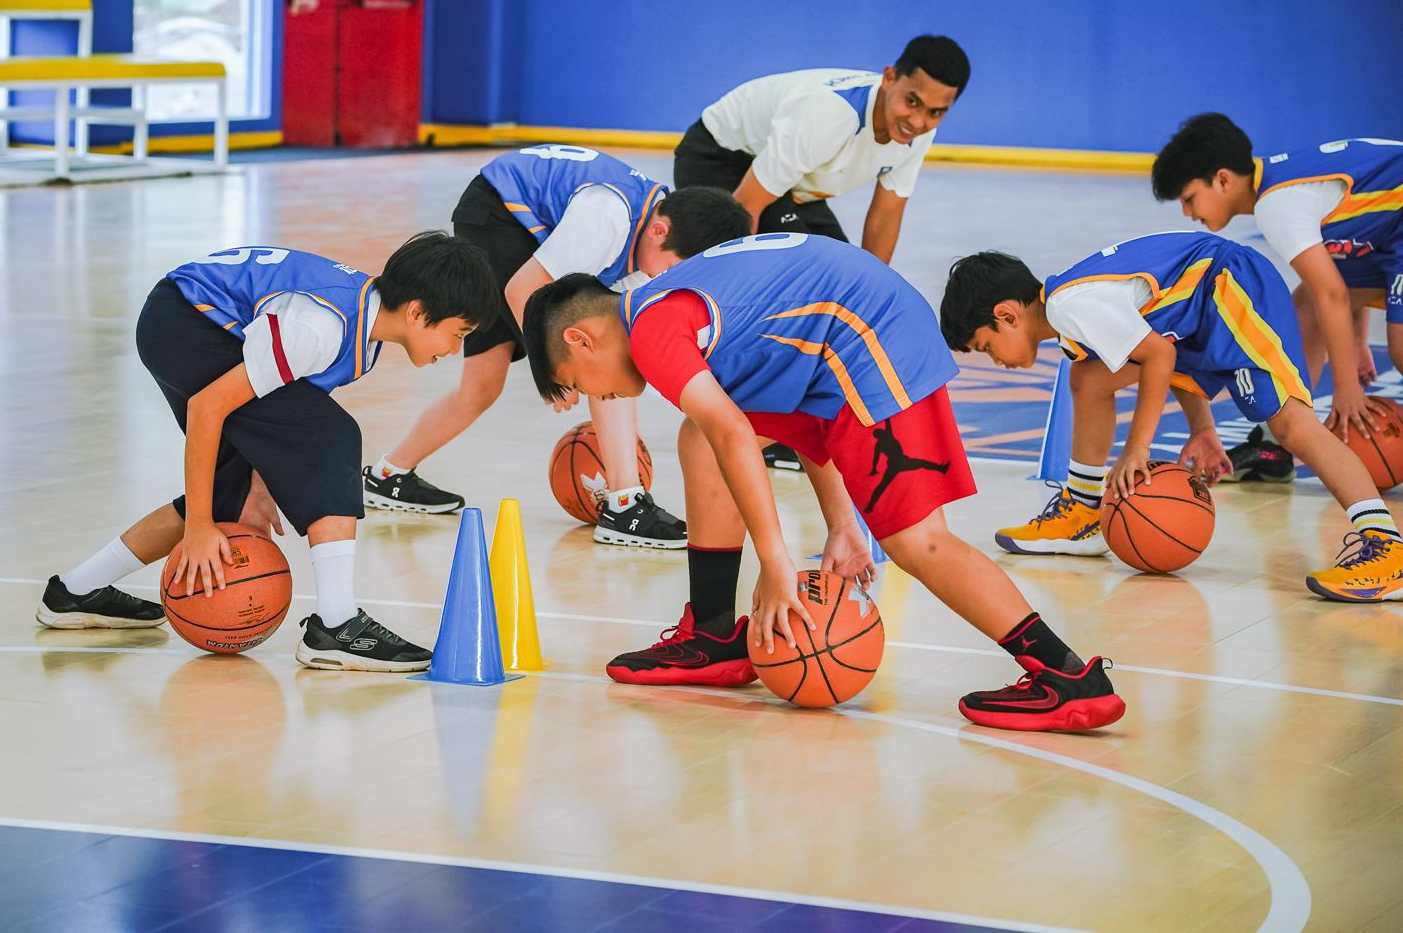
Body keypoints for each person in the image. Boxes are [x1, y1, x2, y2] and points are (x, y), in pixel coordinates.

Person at [523, 233, 1126, 732]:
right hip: (848, 340)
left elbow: (738, 432)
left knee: (918, 542)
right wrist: (841, 523)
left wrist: (776, 563)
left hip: (874, 336)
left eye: (575, 379)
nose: (588, 397)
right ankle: (710, 633)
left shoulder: (653, 333)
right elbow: (800, 403)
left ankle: (1065, 675)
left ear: (581, 338)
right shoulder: (662, 305)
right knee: (697, 436)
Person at [37, 233, 504, 669]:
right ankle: (338, 625)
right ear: (419, 313)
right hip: (183, 319)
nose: (453, 349)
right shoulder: (320, 327)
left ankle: (76, 591)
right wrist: (199, 528)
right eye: (458, 334)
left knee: (233, 497)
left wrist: (257, 487)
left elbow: (277, 420)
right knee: (334, 436)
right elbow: (207, 409)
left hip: (187, 319)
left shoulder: (361, 332)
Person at [942, 233, 1403, 603]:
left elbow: (1160, 355)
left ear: (1007, 315)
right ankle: (1083, 512)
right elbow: (1164, 346)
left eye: (985, 347)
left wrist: (1136, 449)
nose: (995, 361)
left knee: (1289, 425)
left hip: (1231, 286)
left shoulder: (1069, 305)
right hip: (1200, 309)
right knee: (1089, 377)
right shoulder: (1070, 317)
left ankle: (1388, 548)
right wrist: (1203, 430)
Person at [363, 144, 750, 548]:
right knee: (593, 354)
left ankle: (388, 476)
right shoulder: (607, 219)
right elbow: (523, 288)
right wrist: (550, 369)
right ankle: (625, 504)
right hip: (498, 212)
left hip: (535, 224)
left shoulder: (656, 237)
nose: (670, 279)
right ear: (659, 231)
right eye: (673, 268)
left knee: (496, 382)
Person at [672, 34, 969, 471]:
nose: (920, 120)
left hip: (786, 185)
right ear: (889, 78)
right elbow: (746, 210)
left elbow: (886, 215)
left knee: (843, 288)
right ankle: (741, 418)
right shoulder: (827, 116)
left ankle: (783, 422)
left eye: (936, 112)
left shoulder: (919, 128)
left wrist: (871, 304)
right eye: (912, 102)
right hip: (720, 161)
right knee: (782, 296)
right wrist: (748, 304)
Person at [1150, 114, 1401, 480]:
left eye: (1189, 199)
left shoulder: (1276, 206)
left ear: (1222, 179)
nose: (1188, 213)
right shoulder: (1285, 183)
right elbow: (1342, 274)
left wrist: (1346, 389)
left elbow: (1331, 293)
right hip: (1393, 231)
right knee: (1304, 307)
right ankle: (1277, 443)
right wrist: (1357, 339)